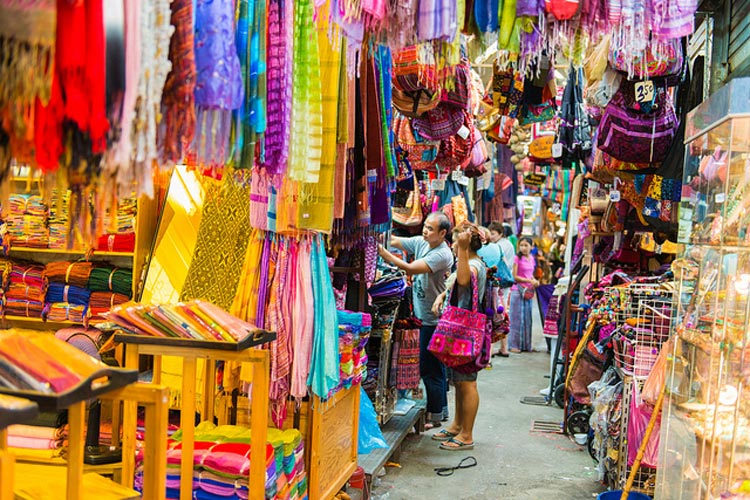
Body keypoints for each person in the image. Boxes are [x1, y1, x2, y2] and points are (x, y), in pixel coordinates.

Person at [378, 212, 454, 428]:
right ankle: (441, 410)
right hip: (424, 316)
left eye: (431, 229)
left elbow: (411, 268)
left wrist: (384, 254)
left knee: (430, 368)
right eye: (426, 226)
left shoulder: (441, 254)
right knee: (434, 368)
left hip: (433, 319)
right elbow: (396, 240)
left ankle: (435, 414)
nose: (426, 231)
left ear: (443, 233)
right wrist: (378, 233)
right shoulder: (423, 242)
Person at [430, 222, 486, 451]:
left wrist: (462, 250)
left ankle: (467, 435)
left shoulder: (472, 264)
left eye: (454, 241)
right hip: (461, 331)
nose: (452, 246)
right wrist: (442, 295)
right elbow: (456, 285)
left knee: (468, 383)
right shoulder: (471, 262)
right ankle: (457, 425)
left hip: (467, 332)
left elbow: (464, 280)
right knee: (460, 383)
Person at [508, 236, 538, 353]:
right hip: (517, 291)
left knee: (527, 319)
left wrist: (534, 280)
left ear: (532, 246)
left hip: (528, 292)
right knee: (516, 319)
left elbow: (530, 274)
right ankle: (513, 345)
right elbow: (514, 276)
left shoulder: (532, 258)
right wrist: (530, 281)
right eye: (521, 245)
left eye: (526, 245)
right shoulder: (517, 258)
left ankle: (526, 345)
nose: (523, 248)